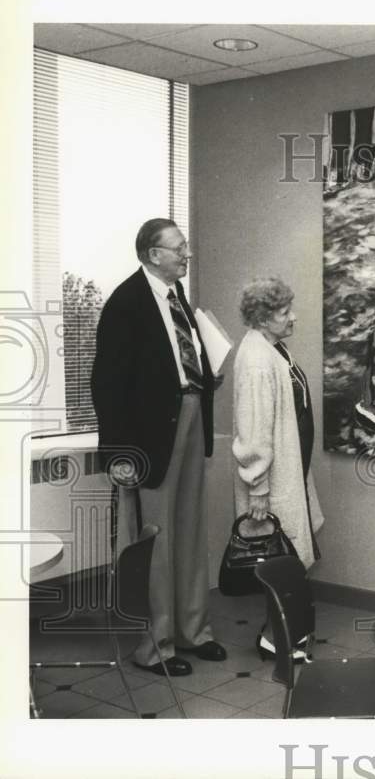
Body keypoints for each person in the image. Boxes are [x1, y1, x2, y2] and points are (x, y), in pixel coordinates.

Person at [91, 218, 226, 677]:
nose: (186, 255)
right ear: (153, 254)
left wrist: (207, 375)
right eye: (179, 248)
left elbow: (178, 360)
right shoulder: (125, 303)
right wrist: (118, 453)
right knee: (155, 541)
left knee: (191, 532)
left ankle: (194, 632)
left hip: (190, 417)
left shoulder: (177, 298)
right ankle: (156, 647)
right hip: (150, 438)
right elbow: (106, 385)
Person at [232, 277, 324, 659]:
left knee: (287, 557)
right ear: (263, 316)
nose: (293, 318)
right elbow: (253, 430)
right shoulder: (256, 358)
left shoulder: (273, 349)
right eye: (284, 312)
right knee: (279, 559)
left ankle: (288, 634)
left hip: (290, 472)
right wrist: (257, 486)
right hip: (271, 481)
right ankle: (278, 639)